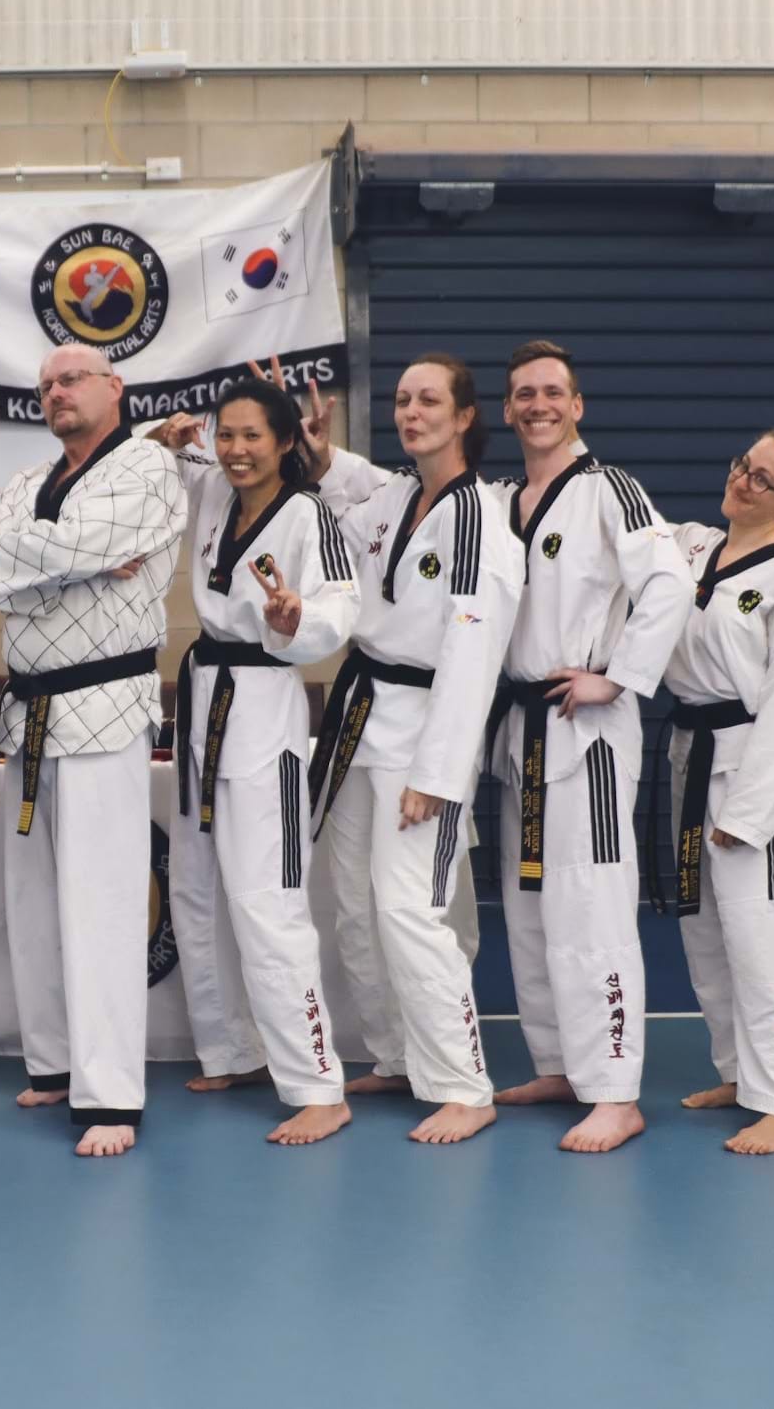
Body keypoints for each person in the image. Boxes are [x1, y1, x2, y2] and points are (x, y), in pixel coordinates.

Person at [0, 343, 187, 1158]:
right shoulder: (28, 480)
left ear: (113, 387)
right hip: (28, 713)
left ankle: (111, 1095)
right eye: (46, 385)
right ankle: (55, 1063)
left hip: (105, 704)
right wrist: (60, 558)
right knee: (32, 903)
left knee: (102, 904)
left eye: (71, 379)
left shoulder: (149, 467)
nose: (56, 393)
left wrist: (16, 554)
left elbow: (29, 556)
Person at [308, 353, 524, 1145]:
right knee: (354, 903)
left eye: (428, 400)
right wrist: (316, 455)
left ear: (464, 416)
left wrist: (438, 774)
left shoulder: (479, 520)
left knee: (410, 908)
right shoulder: (393, 497)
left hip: (423, 729)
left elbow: (474, 654)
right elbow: (337, 513)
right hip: (359, 717)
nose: (410, 412)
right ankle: (396, 1053)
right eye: (402, 400)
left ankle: (463, 1085)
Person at [144, 378, 361, 1146]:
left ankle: (317, 1085)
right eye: (225, 435)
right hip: (203, 699)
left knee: (267, 901)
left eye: (252, 437)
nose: (236, 450)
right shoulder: (210, 487)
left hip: (264, 705)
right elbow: (151, 461)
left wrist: (296, 618)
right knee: (195, 887)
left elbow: (338, 606)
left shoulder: (306, 515)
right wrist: (163, 438)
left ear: (283, 441)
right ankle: (230, 1048)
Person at [486, 339, 689, 1154]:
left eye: (551, 392)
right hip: (520, 730)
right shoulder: (502, 500)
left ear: (575, 406)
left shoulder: (609, 489)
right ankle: (560, 1066)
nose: (537, 405)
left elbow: (669, 580)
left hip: (586, 734)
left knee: (592, 909)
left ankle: (614, 1091)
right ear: (507, 410)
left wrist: (620, 677)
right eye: (523, 393)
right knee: (530, 908)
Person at [648, 429, 774, 1155]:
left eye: (762, 478)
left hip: (751, 768)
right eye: (742, 466)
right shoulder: (692, 546)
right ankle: (738, 1074)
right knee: (703, 933)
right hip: (690, 753)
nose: (742, 481)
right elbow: (618, 521)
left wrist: (751, 812)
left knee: (759, 935)